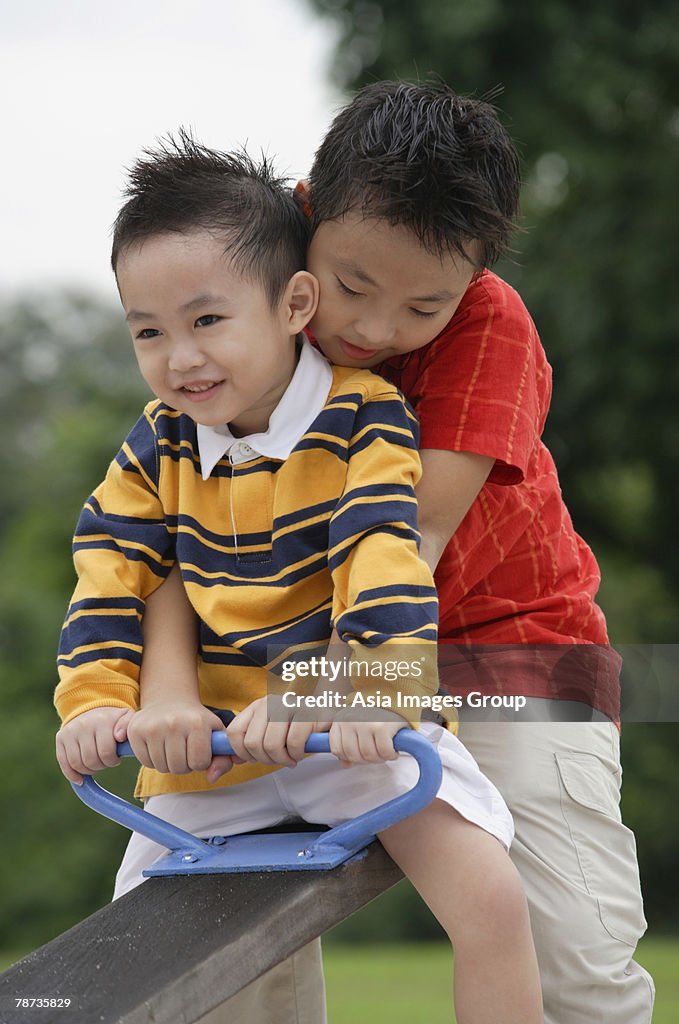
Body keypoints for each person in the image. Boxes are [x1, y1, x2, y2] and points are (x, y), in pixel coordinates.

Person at [137, 82, 654, 1024]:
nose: (374, 329)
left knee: (568, 957)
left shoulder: (490, 327)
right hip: (283, 652)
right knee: (212, 953)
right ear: (305, 216)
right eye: (353, 285)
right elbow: (177, 522)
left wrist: (333, 691)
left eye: (424, 305)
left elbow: (407, 534)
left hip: (504, 652)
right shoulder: (244, 296)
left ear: (471, 280)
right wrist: (175, 691)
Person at [54, 134, 543, 1024]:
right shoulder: (153, 444)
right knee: (139, 960)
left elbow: (386, 564)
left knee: (489, 899)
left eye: (207, 322)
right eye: (149, 333)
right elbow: (109, 574)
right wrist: (97, 707)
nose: (181, 359)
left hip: (338, 731)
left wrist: (360, 688)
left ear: (293, 305)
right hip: (210, 755)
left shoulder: (363, 416)